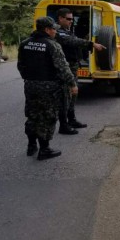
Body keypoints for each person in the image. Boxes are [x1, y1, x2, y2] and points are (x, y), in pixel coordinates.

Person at [17, 17, 78, 160]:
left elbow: (21, 66)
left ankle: (31, 145)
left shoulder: (24, 44)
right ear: (46, 30)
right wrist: (72, 84)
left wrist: (30, 79)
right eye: (53, 29)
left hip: (30, 85)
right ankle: (44, 149)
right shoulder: (52, 45)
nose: (55, 31)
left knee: (32, 114)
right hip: (49, 86)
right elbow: (63, 67)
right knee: (48, 116)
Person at [55, 8, 105, 135]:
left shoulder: (68, 30)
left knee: (73, 94)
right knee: (66, 96)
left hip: (72, 65)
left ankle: (71, 120)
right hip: (64, 68)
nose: (71, 21)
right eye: (68, 19)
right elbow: (73, 41)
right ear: (60, 18)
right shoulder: (58, 32)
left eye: (72, 19)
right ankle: (63, 125)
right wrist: (92, 44)